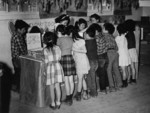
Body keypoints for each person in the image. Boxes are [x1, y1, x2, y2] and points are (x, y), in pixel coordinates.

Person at [43, 31, 64, 110]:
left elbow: (46, 61)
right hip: (58, 66)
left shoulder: (45, 50)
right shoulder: (57, 47)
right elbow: (59, 58)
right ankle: (58, 103)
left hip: (50, 67)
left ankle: (53, 103)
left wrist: (45, 71)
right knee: (57, 86)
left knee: (51, 87)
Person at [56, 24, 76, 106]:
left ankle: (68, 98)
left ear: (59, 32)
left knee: (67, 80)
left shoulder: (59, 39)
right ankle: (70, 97)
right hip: (71, 58)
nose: (57, 33)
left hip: (64, 59)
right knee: (71, 80)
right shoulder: (70, 38)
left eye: (57, 32)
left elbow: (56, 49)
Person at [71, 23, 90, 101]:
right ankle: (85, 94)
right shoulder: (75, 40)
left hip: (81, 61)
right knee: (82, 78)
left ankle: (78, 95)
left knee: (80, 79)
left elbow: (85, 51)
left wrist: (74, 50)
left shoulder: (81, 40)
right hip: (80, 60)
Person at [89, 23, 109, 94]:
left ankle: (103, 90)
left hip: (100, 57)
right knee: (104, 73)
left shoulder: (96, 38)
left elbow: (96, 49)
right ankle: (107, 87)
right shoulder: (102, 35)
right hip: (105, 55)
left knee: (101, 74)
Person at [11, 19, 30, 92]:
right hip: (18, 58)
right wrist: (28, 54)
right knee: (20, 73)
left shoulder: (15, 35)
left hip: (15, 58)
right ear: (19, 29)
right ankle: (19, 88)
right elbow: (22, 49)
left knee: (17, 72)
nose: (25, 31)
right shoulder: (18, 36)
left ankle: (15, 87)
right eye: (24, 29)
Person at [103, 23, 122, 91]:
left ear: (106, 30)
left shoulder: (103, 35)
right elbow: (117, 47)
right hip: (115, 53)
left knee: (109, 70)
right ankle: (119, 85)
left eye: (103, 28)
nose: (102, 29)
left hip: (109, 53)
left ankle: (112, 86)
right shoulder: (112, 36)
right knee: (116, 69)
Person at [115, 23, 131, 88]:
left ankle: (124, 83)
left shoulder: (118, 38)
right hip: (126, 54)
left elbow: (116, 47)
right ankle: (126, 81)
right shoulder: (125, 37)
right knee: (126, 69)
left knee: (123, 70)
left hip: (121, 55)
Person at [84, 25, 99, 97]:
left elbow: (85, 51)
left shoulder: (86, 42)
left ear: (87, 35)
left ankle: (94, 92)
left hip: (90, 62)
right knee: (91, 76)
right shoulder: (94, 40)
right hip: (95, 61)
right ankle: (92, 90)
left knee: (91, 77)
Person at [124, 19, 138, 84]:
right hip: (133, 50)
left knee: (131, 66)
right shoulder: (132, 32)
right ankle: (133, 79)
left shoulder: (128, 33)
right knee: (132, 66)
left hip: (129, 51)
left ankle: (132, 79)